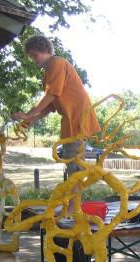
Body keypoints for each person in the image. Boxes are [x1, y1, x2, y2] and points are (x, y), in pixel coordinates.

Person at [12, 35, 100, 177]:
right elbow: (50, 105)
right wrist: (31, 119)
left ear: (46, 50)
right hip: (70, 121)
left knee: (74, 165)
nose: (33, 60)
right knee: (70, 163)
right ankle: (72, 192)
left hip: (78, 120)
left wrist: (28, 114)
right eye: (31, 57)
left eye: (35, 55)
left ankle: (74, 192)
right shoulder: (48, 74)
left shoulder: (56, 63)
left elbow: (51, 95)